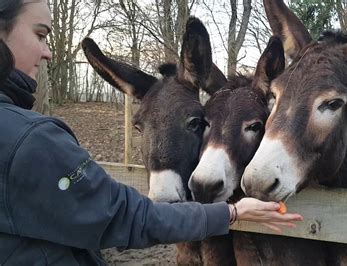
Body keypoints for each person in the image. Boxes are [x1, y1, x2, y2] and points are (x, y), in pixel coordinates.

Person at [0, 0, 303, 264]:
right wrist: (232, 214)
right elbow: (125, 217)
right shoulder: (28, 139)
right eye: (40, 34)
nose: (49, 53)